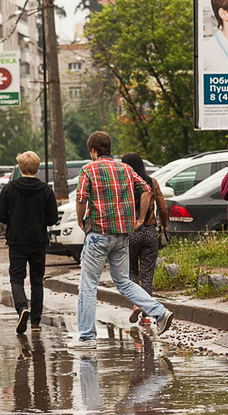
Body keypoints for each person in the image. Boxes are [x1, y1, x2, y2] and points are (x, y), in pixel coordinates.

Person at [71, 131, 174, 349]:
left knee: (88, 284)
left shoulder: (88, 169)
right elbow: (147, 190)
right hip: (122, 236)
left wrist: (81, 221)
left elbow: (81, 199)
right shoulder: (126, 169)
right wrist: (139, 219)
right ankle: (160, 312)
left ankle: (87, 337)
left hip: (98, 234)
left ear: (93, 150)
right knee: (124, 281)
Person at [0, 151, 59, 333]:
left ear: (20, 167)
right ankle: (36, 322)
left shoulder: (9, 189)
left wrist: (14, 218)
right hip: (38, 241)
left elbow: (0, 216)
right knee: (37, 281)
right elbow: (52, 218)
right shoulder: (46, 190)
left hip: (16, 240)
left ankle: (22, 308)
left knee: (17, 278)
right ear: (37, 168)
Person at [121, 152, 169, 326]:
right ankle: (147, 315)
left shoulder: (124, 184)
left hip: (130, 232)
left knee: (131, 271)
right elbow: (162, 207)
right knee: (147, 274)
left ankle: (137, 304)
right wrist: (164, 225)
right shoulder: (151, 182)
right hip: (149, 232)